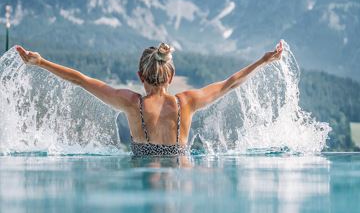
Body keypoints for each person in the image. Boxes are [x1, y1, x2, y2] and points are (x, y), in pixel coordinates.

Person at [15, 41, 283, 156]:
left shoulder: (132, 103)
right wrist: (264, 60)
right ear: (172, 74)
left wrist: (40, 62)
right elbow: (230, 84)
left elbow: (81, 79)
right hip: (183, 178)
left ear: (139, 75)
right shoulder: (186, 102)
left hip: (142, 177)